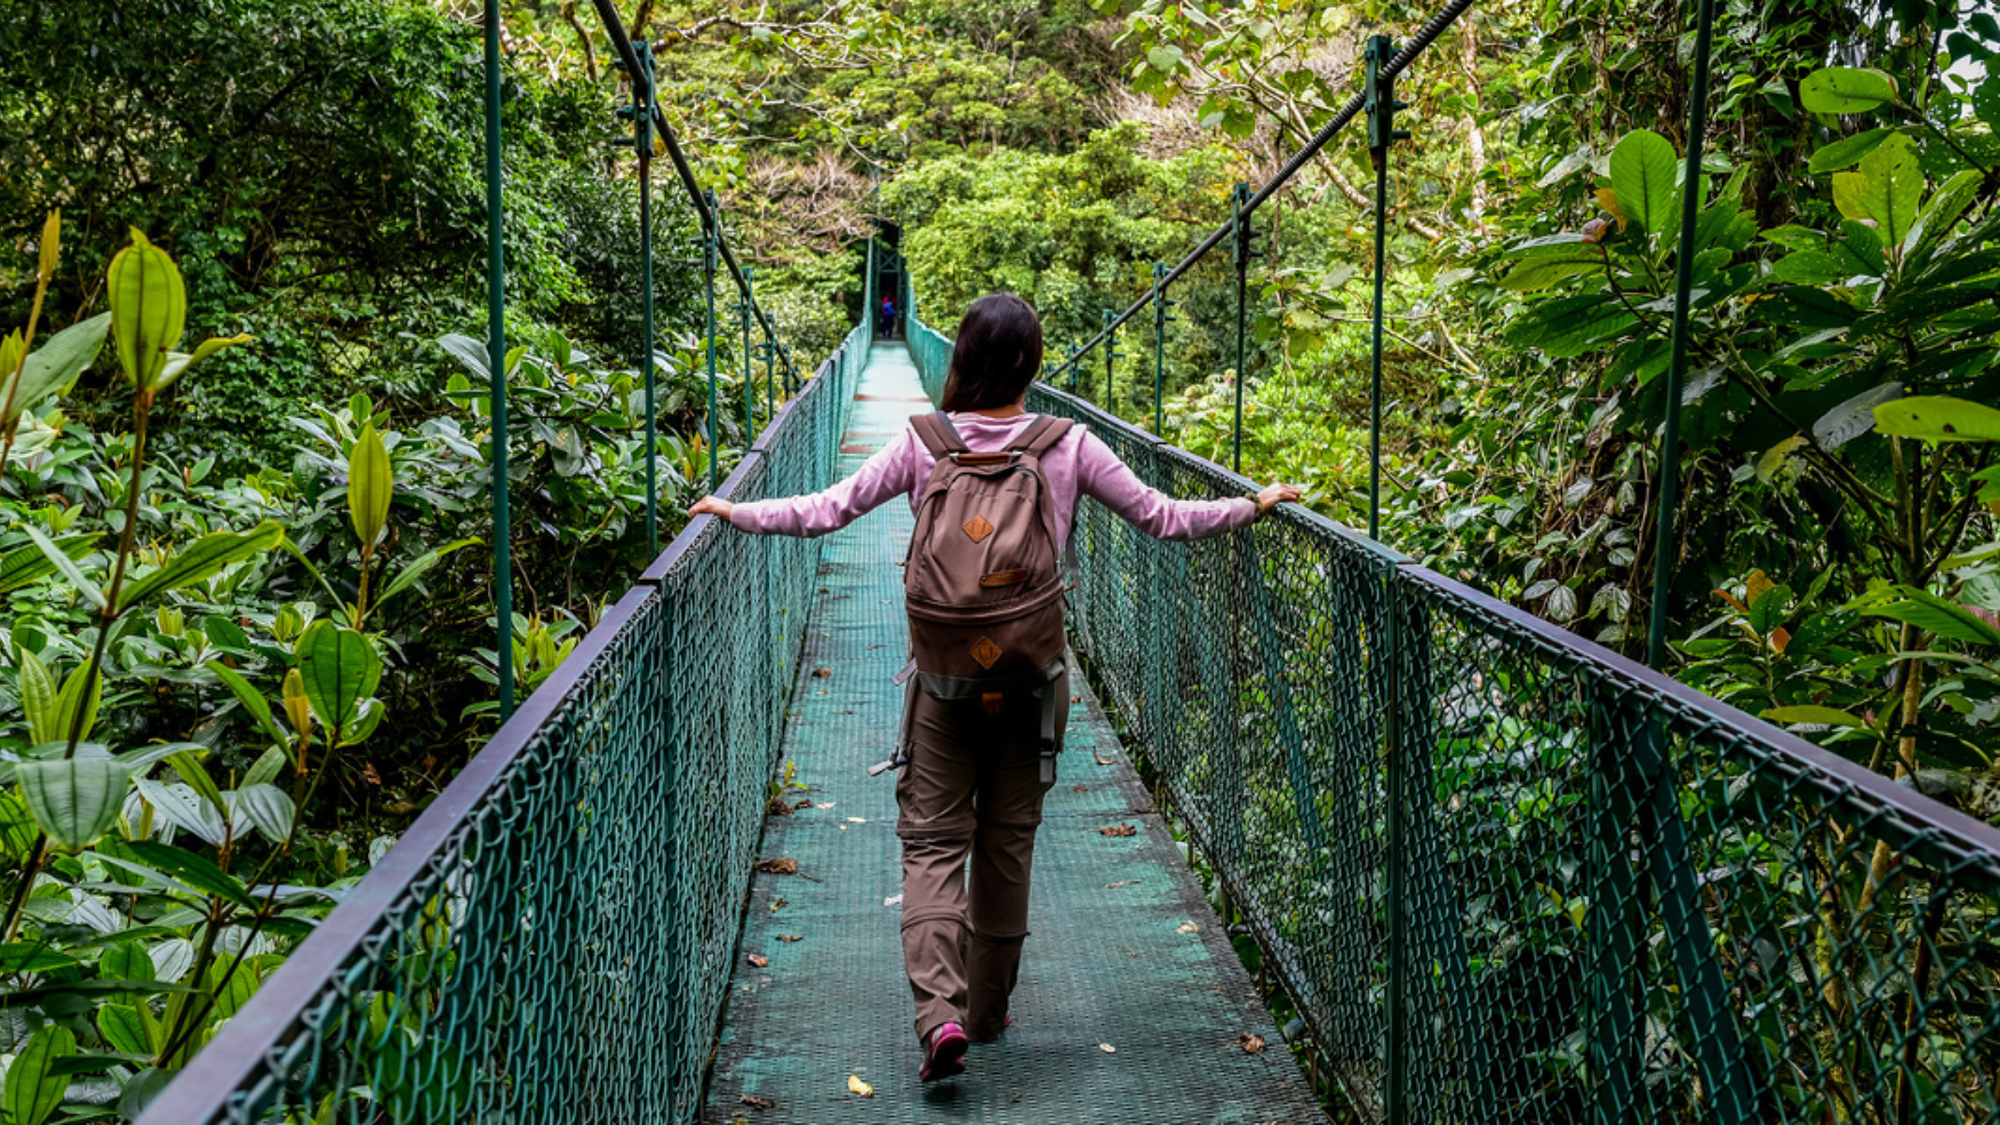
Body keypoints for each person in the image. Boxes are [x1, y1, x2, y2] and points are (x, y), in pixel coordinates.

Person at [689, 293, 1299, 1084]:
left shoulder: (922, 442)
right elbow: (1163, 516)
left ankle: (939, 1017)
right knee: (1006, 842)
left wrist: (738, 510)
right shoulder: (1069, 443)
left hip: (942, 682)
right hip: (1032, 678)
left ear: (964, 359)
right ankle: (985, 1010)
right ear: (1033, 364)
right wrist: (1250, 505)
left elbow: (831, 508)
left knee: (934, 844)